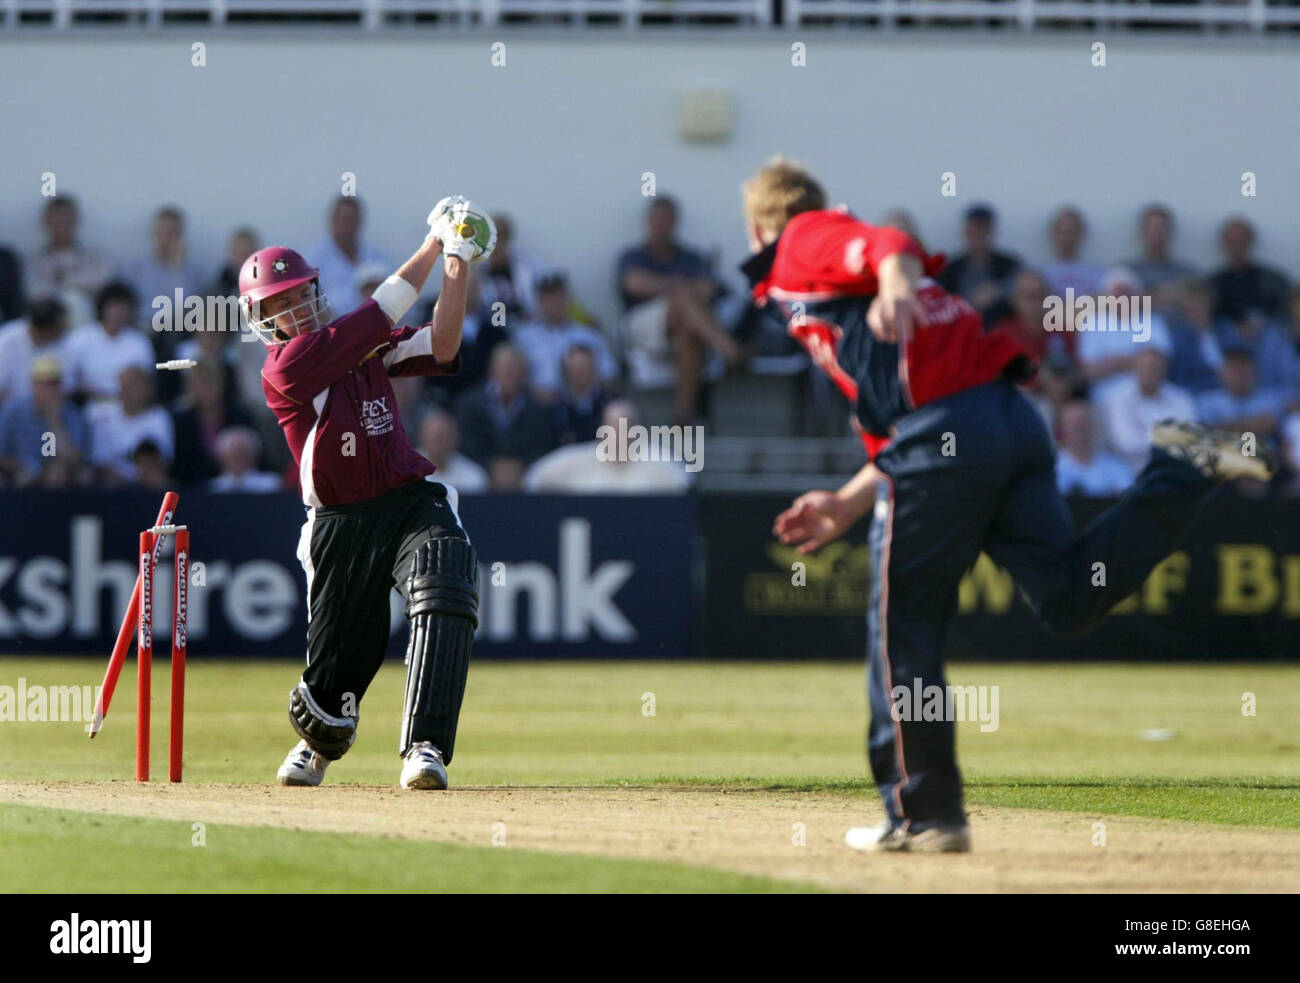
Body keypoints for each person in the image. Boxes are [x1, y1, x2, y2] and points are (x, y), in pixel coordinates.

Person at [739, 158, 1275, 854]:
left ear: (756, 222)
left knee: (904, 623)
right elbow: (901, 426)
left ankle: (923, 812)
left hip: (945, 435)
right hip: (1008, 422)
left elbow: (888, 244)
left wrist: (896, 282)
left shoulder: (801, 238)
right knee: (1069, 596)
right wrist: (846, 502)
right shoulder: (860, 324)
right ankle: (1182, 463)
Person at [241, 195, 496, 791]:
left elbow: (444, 344)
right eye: (279, 305)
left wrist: (458, 257)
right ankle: (318, 744)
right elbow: (382, 311)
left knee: (445, 576)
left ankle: (425, 746)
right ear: (265, 320)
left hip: (407, 500)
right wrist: (433, 243)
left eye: (300, 294)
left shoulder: (356, 342)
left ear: (314, 291)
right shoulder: (286, 367)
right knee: (333, 685)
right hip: (339, 521)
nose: (295, 310)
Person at [616, 196, 743, 424]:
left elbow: (709, 289)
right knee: (681, 299)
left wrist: (664, 287)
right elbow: (634, 283)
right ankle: (728, 349)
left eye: (666, 219)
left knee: (688, 333)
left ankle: (681, 416)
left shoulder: (690, 257)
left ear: (675, 223)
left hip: (682, 328)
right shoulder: (633, 255)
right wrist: (680, 288)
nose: (661, 224)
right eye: (657, 219)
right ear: (648, 221)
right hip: (642, 326)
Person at [415, 408, 488, 493]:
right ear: (422, 437)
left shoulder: (473, 476)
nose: (439, 441)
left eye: (445, 436)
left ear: (456, 439)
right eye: (434, 436)